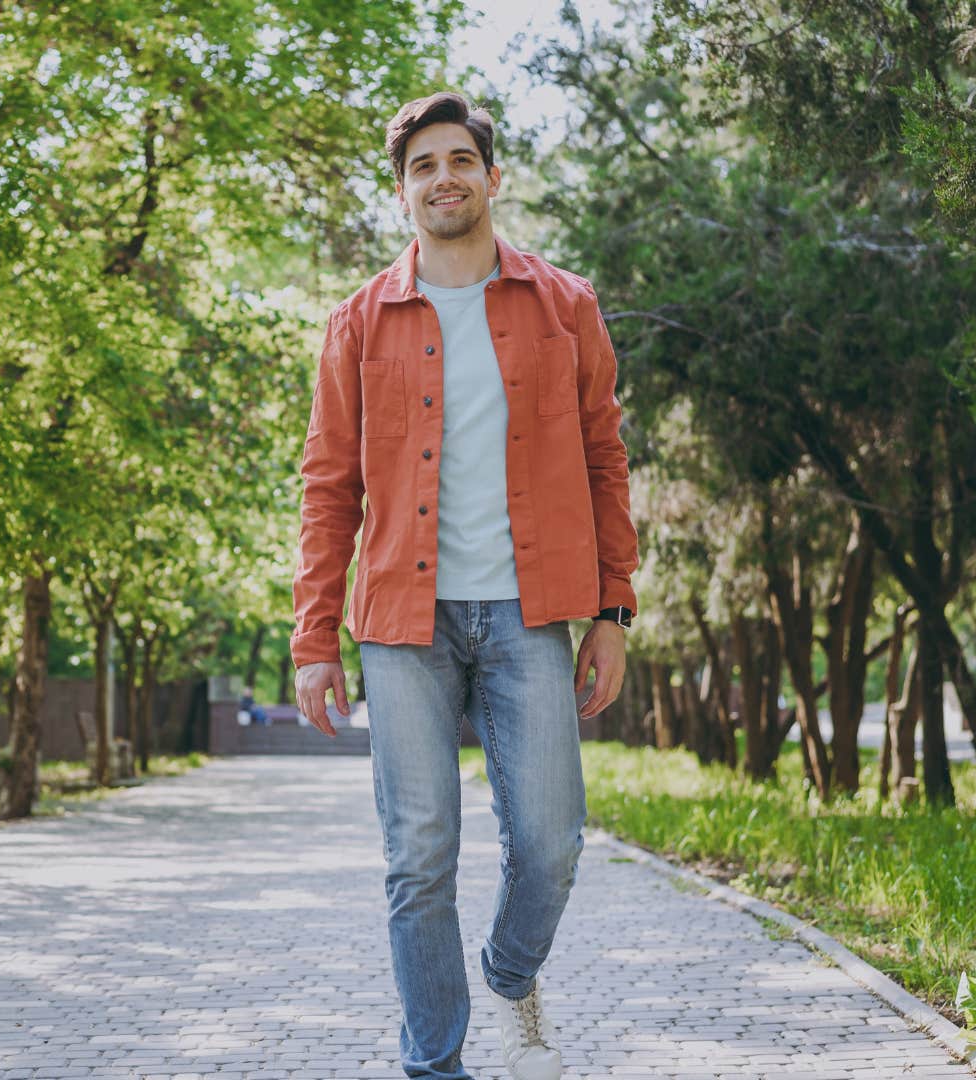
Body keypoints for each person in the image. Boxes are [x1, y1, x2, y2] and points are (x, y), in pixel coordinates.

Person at [289, 91, 639, 1080]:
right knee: (418, 854)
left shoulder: (564, 305)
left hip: (531, 613)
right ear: (402, 193)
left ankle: (510, 966)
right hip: (403, 622)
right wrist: (314, 636)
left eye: (459, 160)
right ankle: (433, 1067)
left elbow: (604, 455)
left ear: (491, 176)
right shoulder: (359, 321)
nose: (443, 179)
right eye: (421, 167)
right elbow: (329, 483)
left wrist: (613, 610)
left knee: (551, 841)